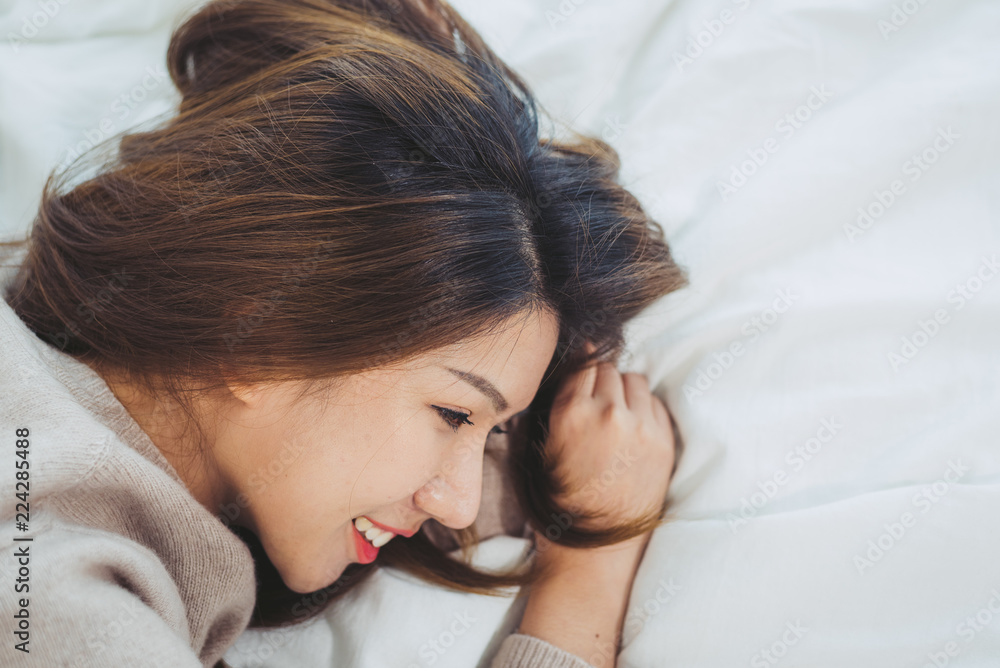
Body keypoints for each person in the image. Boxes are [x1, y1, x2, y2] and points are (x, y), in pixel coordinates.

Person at [0, 0, 687, 666]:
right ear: (258, 335)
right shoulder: (59, 602)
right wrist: (590, 571)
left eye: (493, 430)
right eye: (453, 415)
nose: (460, 502)